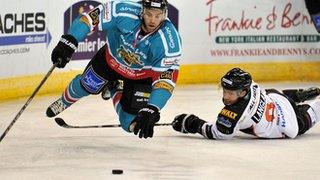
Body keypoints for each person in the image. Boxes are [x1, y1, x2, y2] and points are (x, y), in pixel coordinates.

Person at [46, 0, 181, 139]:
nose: (153, 20)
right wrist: (69, 40)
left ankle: (114, 88)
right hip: (110, 62)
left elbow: (166, 80)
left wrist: (152, 108)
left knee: (129, 123)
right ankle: (64, 101)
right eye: (149, 14)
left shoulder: (169, 41)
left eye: (158, 16)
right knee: (86, 86)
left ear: (164, 15)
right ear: (142, 10)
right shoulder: (123, 9)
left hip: (141, 76)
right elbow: (89, 19)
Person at [172, 68, 320, 140]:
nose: (226, 96)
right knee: (272, 94)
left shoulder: (234, 113)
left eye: (231, 93)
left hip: (289, 124)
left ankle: (297, 98)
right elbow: (269, 92)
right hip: (279, 100)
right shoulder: (251, 85)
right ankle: (297, 96)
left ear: (243, 92)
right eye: (225, 91)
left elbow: (217, 133)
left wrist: (191, 123)